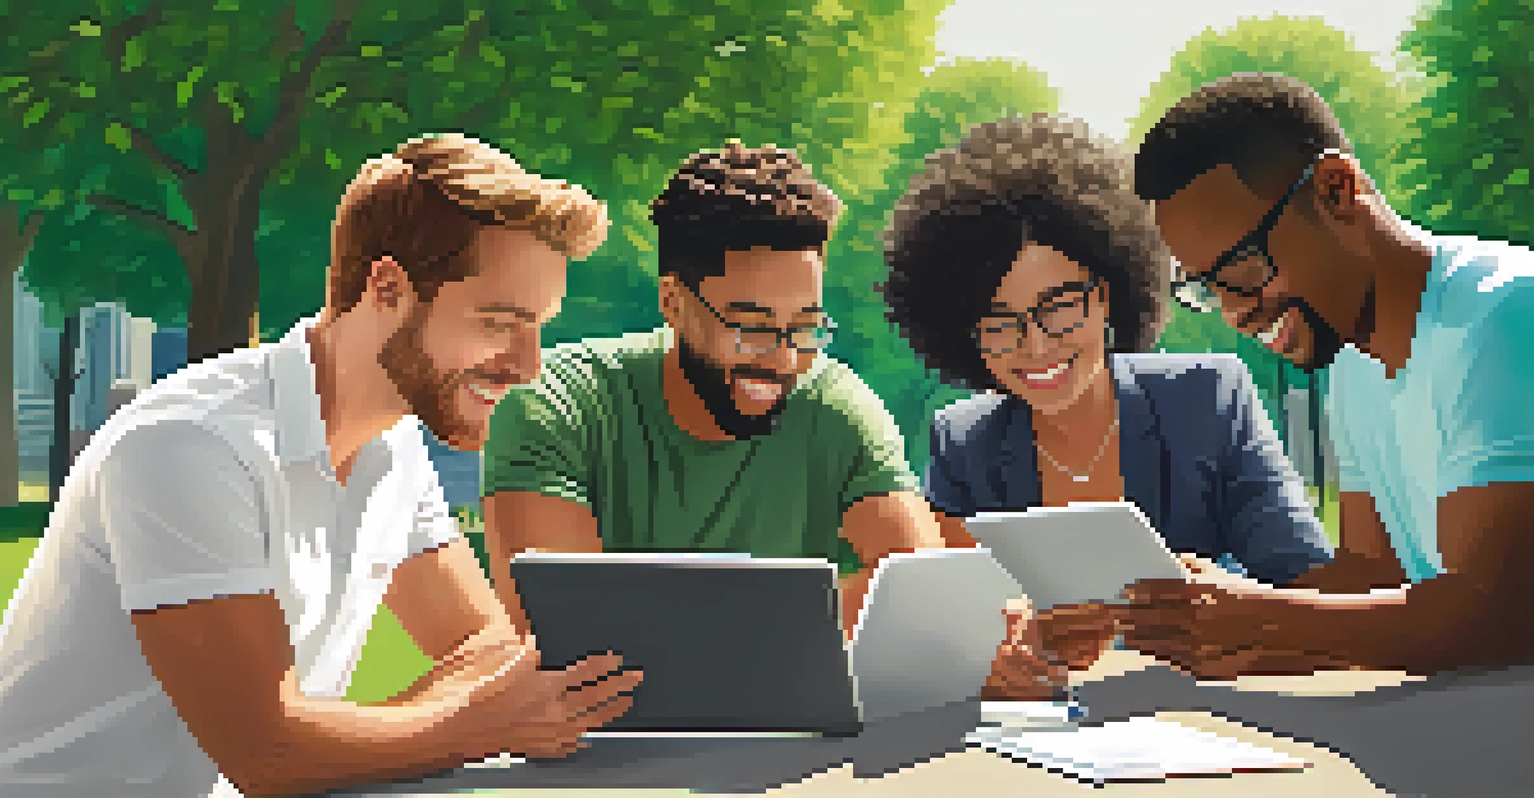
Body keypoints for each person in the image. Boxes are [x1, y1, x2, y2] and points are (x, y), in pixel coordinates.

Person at [0, 134, 643, 797]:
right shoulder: (191, 448)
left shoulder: (392, 451)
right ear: (387, 289)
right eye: (499, 322)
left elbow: (482, 652)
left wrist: (342, 740)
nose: (527, 364)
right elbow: (268, 757)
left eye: (539, 326)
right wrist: (472, 725)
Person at [880, 113, 1334, 700]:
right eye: (998, 323)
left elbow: (1309, 583)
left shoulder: (1207, 396)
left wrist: (1225, 601)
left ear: (1111, 292)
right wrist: (999, 653)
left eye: (1060, 305)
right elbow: (947, 627)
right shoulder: (963, 440)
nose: (1036, 345)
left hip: (1211, 721)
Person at [1102, 72, 1534, 679]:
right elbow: (1372, 573)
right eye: (1206, 288)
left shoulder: (1506, 314)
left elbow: (1498, 613)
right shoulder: (1354, 362)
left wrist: (1255, 618)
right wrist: (1202, 609)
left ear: (1336, 190)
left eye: (1244, 268)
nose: (1235, 311)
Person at [480, 141, 944, 638]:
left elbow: (920, 588)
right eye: (753, 327)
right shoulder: (555, 404)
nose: (785, 359)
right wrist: (800, 627)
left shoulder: (833, 403)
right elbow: (564, 630)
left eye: (805, 327)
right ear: (673, 302)